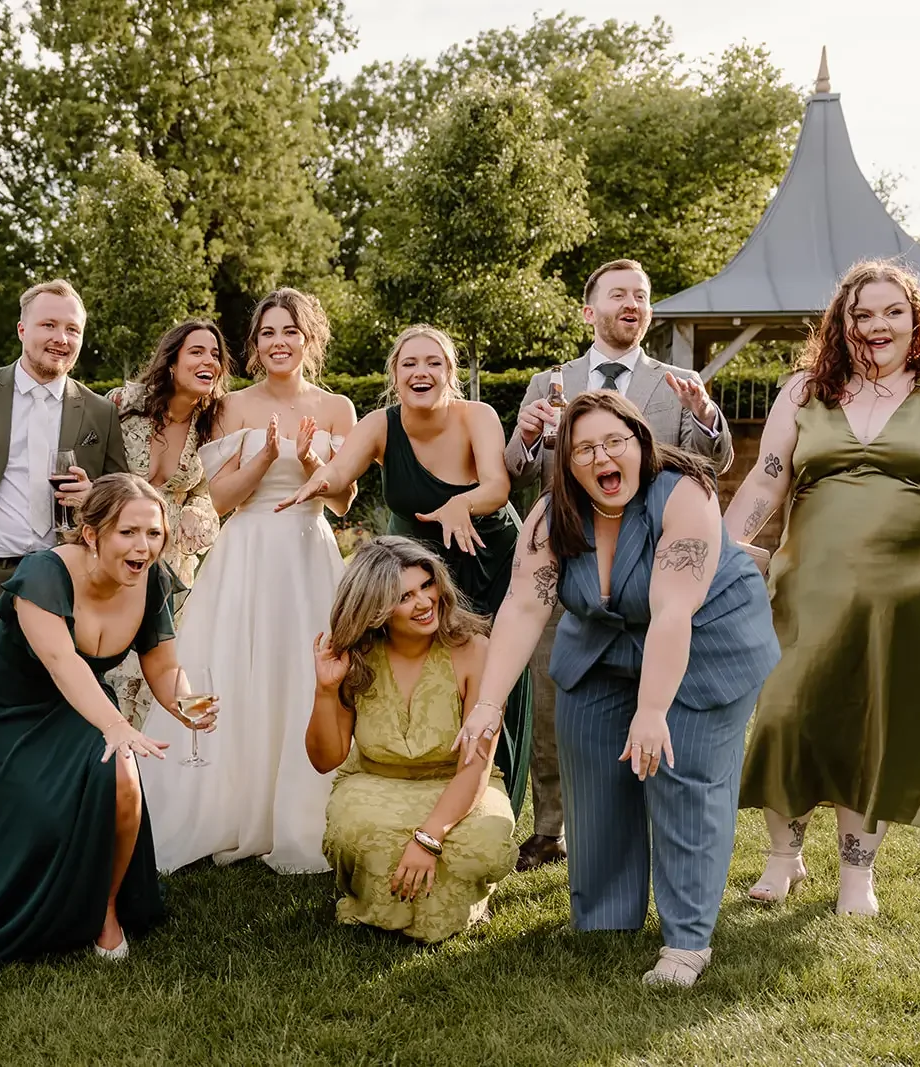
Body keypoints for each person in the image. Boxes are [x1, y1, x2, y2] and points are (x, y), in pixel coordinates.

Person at [724, 260, 920, 917]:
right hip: (808, 584)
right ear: (841, 324)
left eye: (891, 312)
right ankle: (783, 859)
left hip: (913, 588)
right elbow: (765, 478)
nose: (877, 325)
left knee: (876, 724)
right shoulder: (804, 391)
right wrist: (720, 552)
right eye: (862, 314)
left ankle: (857, 877)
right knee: (788, 711)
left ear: (915, 319)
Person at [459, 390, 778, 987]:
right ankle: (606, 918)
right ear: (568, 462)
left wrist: (654, 709)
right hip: (603, 644)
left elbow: (673, 611)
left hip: (704, 638)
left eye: (614, 442)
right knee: (593, 763)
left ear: (639, 442)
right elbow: (525, 606)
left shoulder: (685, 494)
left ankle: (687, 940)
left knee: (681, 771)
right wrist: (487, 703)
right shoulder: (553, 515)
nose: (601, 457)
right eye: (584, 449)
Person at [0, 474, 217, 968]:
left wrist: (186, 705)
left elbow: (163, 664)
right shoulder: (43, 573)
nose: (144, 547)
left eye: (154, 534)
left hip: (75, 699)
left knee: (123, 780)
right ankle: (17, 890)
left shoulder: (153, 579)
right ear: (92, 534)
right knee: (39, 810)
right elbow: (62, 661)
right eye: (129, 533)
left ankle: (107, 909)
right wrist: (115, 724)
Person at [502, 259, 736, 874]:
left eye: (642, 295)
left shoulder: (676, 384)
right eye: (619, 294)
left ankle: (650, 829)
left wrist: (708, 417)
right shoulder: (549, 383)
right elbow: (517, 472)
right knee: (554, 701)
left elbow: (713, 464)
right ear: (589, 310)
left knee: (657, 698)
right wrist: (526, 437)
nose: (633, 303)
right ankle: (550, 829)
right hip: (571, 566)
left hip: (654, 574)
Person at [142, 287, 356, 874]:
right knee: (236, 670)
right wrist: (263, 459)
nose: (278, 342)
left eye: (289, 331)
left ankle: (301, 812)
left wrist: (314, 465)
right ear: (256, 346)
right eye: (267, 333)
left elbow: (344, 501)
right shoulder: (232, 406)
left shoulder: (337, 407)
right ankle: (231, 810)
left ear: (308, 338)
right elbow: (218, 500)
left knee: (303, 671)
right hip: (248, 549)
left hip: (310, 552)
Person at [281, 324, 533, 819]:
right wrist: (317, 479)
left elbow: (497, 486)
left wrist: (461, 503)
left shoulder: (476, 415)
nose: (421, 372)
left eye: (433, 362)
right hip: (422, 574)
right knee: (430, 674)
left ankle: (493, 802)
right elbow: (341, 470)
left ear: (449, 373)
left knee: (494, 679)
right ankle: (424, 784)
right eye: (409, 364)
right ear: (394, 375)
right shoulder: (379, 424)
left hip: (490, 559)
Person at [308, 537, 517, 943]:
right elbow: (325, 759)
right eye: (404, 596)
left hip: (459, 781)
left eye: (427, 585)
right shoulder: (357, 654)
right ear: (376, 610)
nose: (424, 602)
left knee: (481, 841)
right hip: (373, 782)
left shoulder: (475, 650)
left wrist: (429, 837)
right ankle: (386, 905)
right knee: (365, 834)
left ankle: (454, 903)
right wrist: (324, 691)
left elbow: (475, 765)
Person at [0, 279, 130, 659]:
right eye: (48, 325)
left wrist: (94, 496)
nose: (61, 339)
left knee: (55, 699)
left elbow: (121, 497)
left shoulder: (100, 412)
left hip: (64, 577)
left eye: (72, 329)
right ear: (22, 330)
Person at [104, 319, 229, 723]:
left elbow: (207, 498)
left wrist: (198, 515)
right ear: (171, 362)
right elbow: (93, 471)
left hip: (174, 564)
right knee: (114, 665)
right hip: (116, 554)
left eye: (215, 354)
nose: (208, 359)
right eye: (196, 351)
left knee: (160, 664)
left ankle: (149, 771)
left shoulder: (213, 425)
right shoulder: (124, 403)